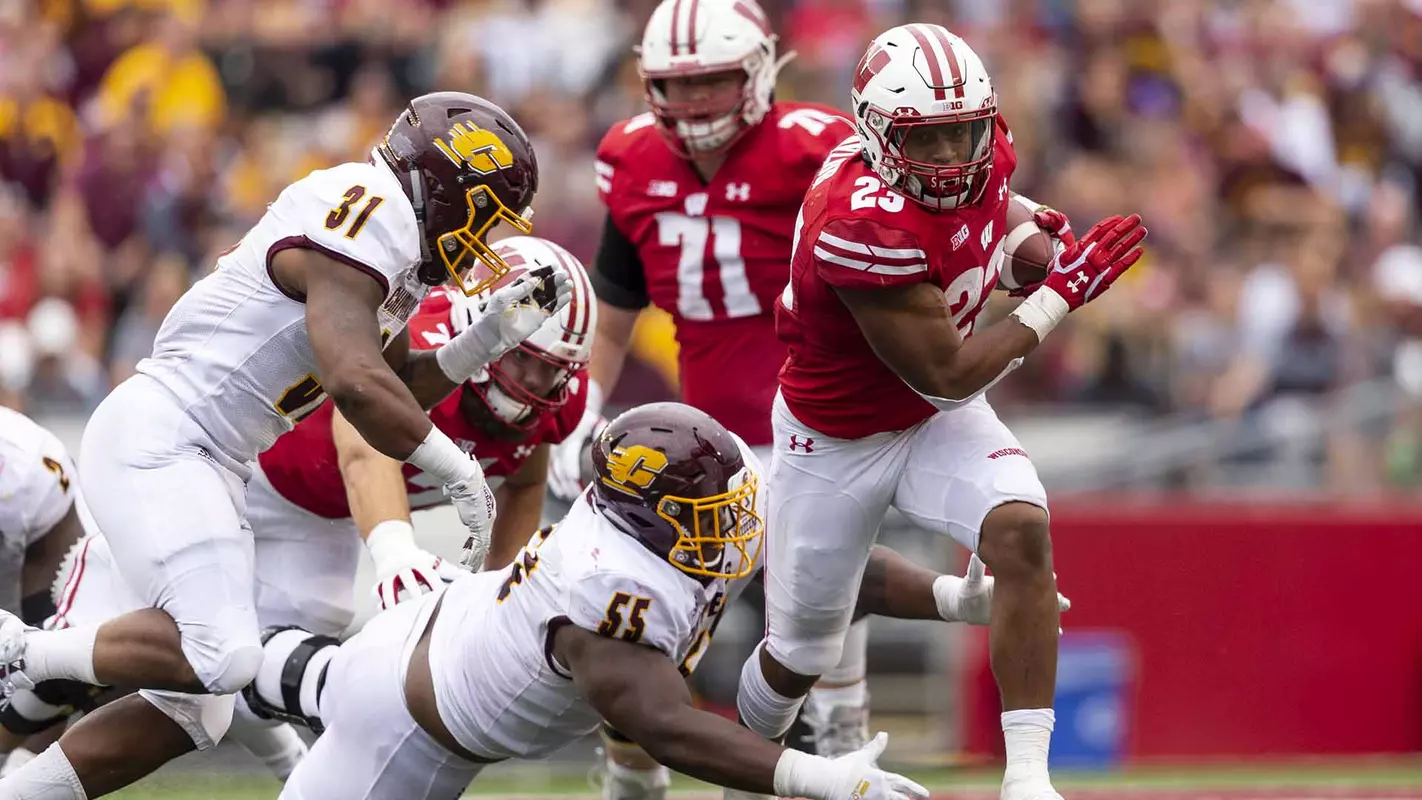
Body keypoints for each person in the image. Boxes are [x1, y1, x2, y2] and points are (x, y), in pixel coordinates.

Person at [0, 92, 571, 799]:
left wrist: (480, 341)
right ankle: (19, 649)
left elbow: (392, 384)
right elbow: (355, 383)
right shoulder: (370, 212)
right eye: (487, 215)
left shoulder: (392, 251)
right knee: (222, 655)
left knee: (197, 707)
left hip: (211, 458)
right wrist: (458, 472)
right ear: (450, 190)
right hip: (168, 435)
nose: (485, 240)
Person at [241, 402, 1064, 800]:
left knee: (290, 674)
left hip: (441, 624)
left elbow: (827, 572)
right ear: (650, 518)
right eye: (713, 516)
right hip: (408, 728)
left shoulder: (671, 524)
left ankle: (239, 667)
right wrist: (820, 778)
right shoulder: (607, 590)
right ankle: (206, 665)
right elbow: (666, 726)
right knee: (295, 681)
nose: (736, 528)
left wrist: (952, 598)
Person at [733, 24, 1147, 800]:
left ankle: (1028, 780)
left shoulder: (986, 150)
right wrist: (1061, 294)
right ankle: (744, 773)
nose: (954, 155)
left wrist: (1028, 241)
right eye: (929, 139)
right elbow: (948, 375)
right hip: (838, 435)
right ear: (877, 134)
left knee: (1021, 528)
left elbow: (991, 213)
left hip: (929, 425)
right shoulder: (857, 224)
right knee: (798, 655)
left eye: (964, 132)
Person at [548, 0, 875, 761]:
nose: (694, 101)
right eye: (677, 83)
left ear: (758, 71)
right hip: (708, 446)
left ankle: (841, 737)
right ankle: (633, 775)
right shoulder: (632, 158)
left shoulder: (815, 148)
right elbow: (615, 314)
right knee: (646, 625)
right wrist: (581, 410)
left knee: (819, 611)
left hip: (815, 425)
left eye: (713, 81)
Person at [0, 408, 88, 776]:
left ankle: (19, 776)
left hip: (30, 552)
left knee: (54, 648)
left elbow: (55, 638)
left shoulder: (30, 468)